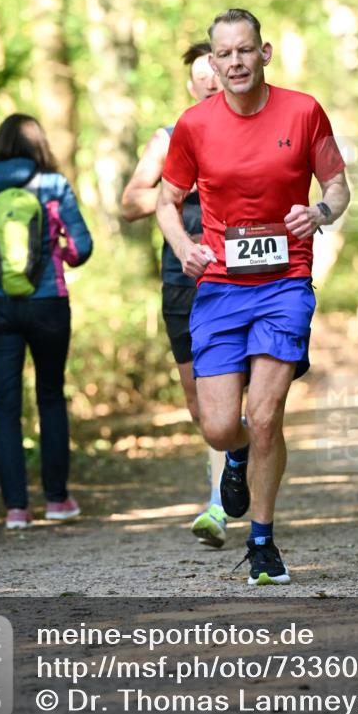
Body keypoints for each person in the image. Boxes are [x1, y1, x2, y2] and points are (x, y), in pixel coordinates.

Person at [156, 9, 350, 585]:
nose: (236, 62)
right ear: (212, 63)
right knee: (221, 427)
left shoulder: (303, 110)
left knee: (265, 415)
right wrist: (184, 245)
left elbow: (338, 188)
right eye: (225, 54)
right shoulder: (193, 125)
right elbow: (167, 201)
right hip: (218, 286)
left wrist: (316, 213)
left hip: (285, 282)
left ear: (264, 53)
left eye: (246, 51)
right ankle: (234, 458)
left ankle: (262, 542)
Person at [121, 42, 229, 548]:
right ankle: (236, 458)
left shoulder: (256, 132)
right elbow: (130, 202)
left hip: (244, 275)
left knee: (235, 389)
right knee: (200, 403)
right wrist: (177, 189)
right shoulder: (169, 138)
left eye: (217, 70)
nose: (210, 80)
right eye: (201, 74)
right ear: (191, 85)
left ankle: (219, 502)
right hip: (183, 277)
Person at [0, 114, 93, 529]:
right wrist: (58, 255)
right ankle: (57, 500)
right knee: (50, 396)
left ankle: (16, 509)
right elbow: (82, 247)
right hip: (48, 304)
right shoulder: (53, 185)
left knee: (5, 405)